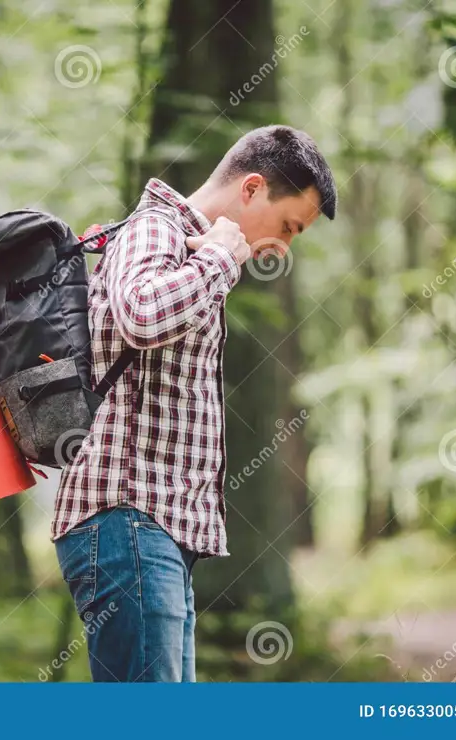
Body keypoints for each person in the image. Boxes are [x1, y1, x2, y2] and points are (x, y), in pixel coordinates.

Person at [51, 125, 337, 682]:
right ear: (251, 188)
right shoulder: (155, 229)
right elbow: (141, 315)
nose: (283, 246)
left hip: (153, 531)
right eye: (288, 226)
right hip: (127, 516)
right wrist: (222, 261)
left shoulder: (189, 251)